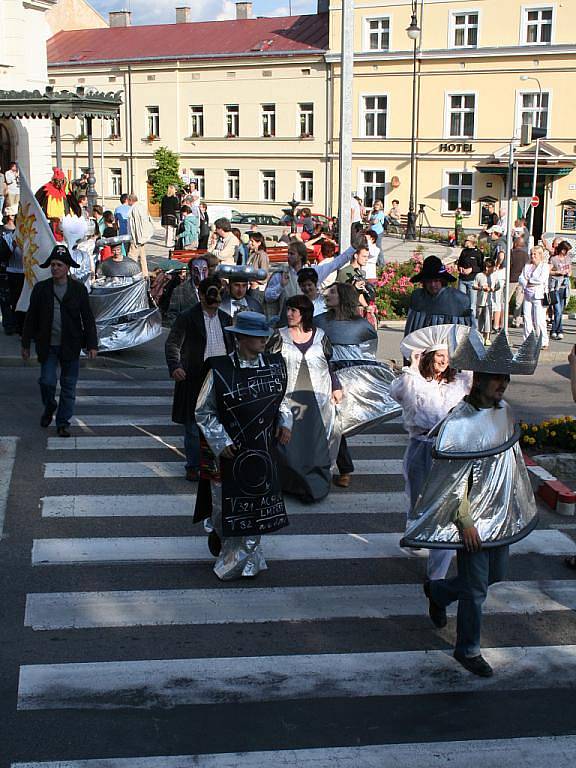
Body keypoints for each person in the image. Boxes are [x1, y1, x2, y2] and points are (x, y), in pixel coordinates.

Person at [403, 327, 541, 677]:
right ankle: (467, 649)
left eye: (505, 379)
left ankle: (439, 591)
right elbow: (450, 479)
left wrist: (515, 506)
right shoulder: (458, 422)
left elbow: (509, 464)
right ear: (478, 379)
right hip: (472, 520)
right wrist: (464, 521)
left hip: (499, 515)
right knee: (477, 589)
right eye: (497, 379)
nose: (503, 385)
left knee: (497, 574)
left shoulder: (504, 410)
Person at [194, 311, 292, 580]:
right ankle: (222, 536)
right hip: (229, 454)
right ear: (240, 338)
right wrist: (220, 440)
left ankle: (242, 562)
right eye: (258, 336)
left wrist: (285, 422)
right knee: (223, 509)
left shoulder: (275, 365)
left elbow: (282, 400)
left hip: (262, 451)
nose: (264, 340)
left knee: (257, 508)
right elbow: (204, 411)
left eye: (265, 335)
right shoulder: (219, 369)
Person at [391, 325, 472, 581]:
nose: (443, 361)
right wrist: (412, 368)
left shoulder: (458, 383)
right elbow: (398, 393)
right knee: (418, 498)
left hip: (450, 450)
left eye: (447, 357)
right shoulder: (415, 381)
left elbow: (474, 384)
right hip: (421, 447)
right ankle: (415, 532)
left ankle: (437, 574)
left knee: (446, 507)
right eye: (439, 356)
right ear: (429, 357)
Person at [21, 244, 98, 437]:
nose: (55, 268)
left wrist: (92, 344)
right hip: (48, 345)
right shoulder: (41, 289)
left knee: (68, 386)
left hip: (70, 345)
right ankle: (49, 406)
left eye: (59, 265)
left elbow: (87, 318)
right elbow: (31, 317)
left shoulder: (78, 290)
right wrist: (25, 343)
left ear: (67, 267)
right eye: (53, 264)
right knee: (46, 381)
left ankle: (63, 422)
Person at [274, 294, 342, 502]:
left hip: (318, 398)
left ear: (304, 314)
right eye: (288, 310)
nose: (289, 314)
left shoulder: (321, 336)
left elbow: (330, 365)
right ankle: (291, 484)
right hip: (289, 399)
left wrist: (336, 386)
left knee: (316, 443)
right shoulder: (278, 336)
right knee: (289, 443)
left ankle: (315, 486)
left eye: (294, 310)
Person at [165, 276, 233, 481]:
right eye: (211, 293)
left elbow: (232, 348)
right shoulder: (187, 317)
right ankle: (193, 465)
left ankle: (215, 462)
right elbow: (173, 343)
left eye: (219, 293)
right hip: (194, 376)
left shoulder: (225, 319)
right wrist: (175, 366)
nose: (216, 297)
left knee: (217, 421)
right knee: (193, 425)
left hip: (220, 376)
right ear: (201, 295)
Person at [265, 238, 355, 320]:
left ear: (300, 256)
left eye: (292, 254)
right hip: (288, 322)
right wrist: (280, 286)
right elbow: (268, 297)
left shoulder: (314, 271)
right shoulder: (281, 274)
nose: (288, 256)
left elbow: (336, 263)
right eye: (288, 253)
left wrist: (354, 247)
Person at [404, 255, 473, 336]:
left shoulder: (459, 299)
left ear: (442, 281)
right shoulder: (417, 297)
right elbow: (411, 331)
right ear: (424, 282)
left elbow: (464, 334)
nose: (433, 285)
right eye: (429, 281)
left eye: (436, 280)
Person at [518, 245, 550, 348]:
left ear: (540, 255)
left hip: (538, 295)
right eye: (531, 254)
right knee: (527, 317)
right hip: (527, 294)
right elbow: (521, 278)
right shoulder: (527, 266)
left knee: (539, 319)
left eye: (534, 254)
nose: (532, 256)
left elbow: (541, 280)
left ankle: (543, 341)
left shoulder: (544, 266)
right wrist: (526, 282)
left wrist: (529, 280)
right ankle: (527, 341)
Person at [549, 240, 572, 340]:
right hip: (555, 286)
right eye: (566, 250)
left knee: (560, 311)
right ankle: (557, 330)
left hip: (564, 286)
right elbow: (549, 271)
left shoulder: (568, 259)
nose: (567, 252)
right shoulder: (554, 259)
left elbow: (570, 269)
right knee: (557, 310)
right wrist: (558, 272)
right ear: (562, 250)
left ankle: (555, 329)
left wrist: (568, 272)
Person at [127, 194, 154, 278]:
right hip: (142, 237)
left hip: (136, 238)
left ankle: (131, 273)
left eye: (128, 200)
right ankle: (145, 273)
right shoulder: (142, 206)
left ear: (131, 200)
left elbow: (135, 225)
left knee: (132, 256)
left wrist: (135, 238)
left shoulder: (134, 209)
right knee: (142, 256)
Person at [456, 235, 484, 314]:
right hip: (462, 280)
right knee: (461, 302)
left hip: (472, 280)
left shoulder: (478, 253)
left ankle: (472, 322)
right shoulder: (464, 251)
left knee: (472, 304)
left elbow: (481, 267)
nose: (465, 242)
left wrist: (471, 269)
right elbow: (459, 263)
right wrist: (460, 268)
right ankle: (462, 321)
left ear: (472, 242)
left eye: (466, 240)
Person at [509, 236, 529, 327]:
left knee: (505, 300)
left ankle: (504, 319)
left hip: (512, 279)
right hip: (522, 280)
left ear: (515, 244)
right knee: (519, 302)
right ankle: (516, 321)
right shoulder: (526, 255)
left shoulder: (511, 253)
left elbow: (509, 265)